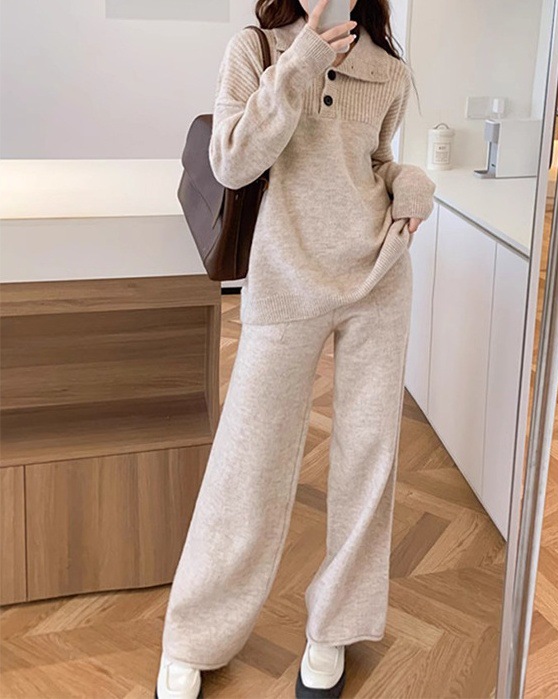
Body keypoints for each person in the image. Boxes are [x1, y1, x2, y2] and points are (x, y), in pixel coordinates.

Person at [156, 0, 435, 697]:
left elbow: (374, 159)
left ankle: (334, 627)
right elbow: (232, 161)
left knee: (368, 455)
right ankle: (195, 633)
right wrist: (305, 56)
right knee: (248, 457)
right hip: (286, 276)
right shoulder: (254, 48)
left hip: (377, 272)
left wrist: (408, 186)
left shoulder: (388, 70)